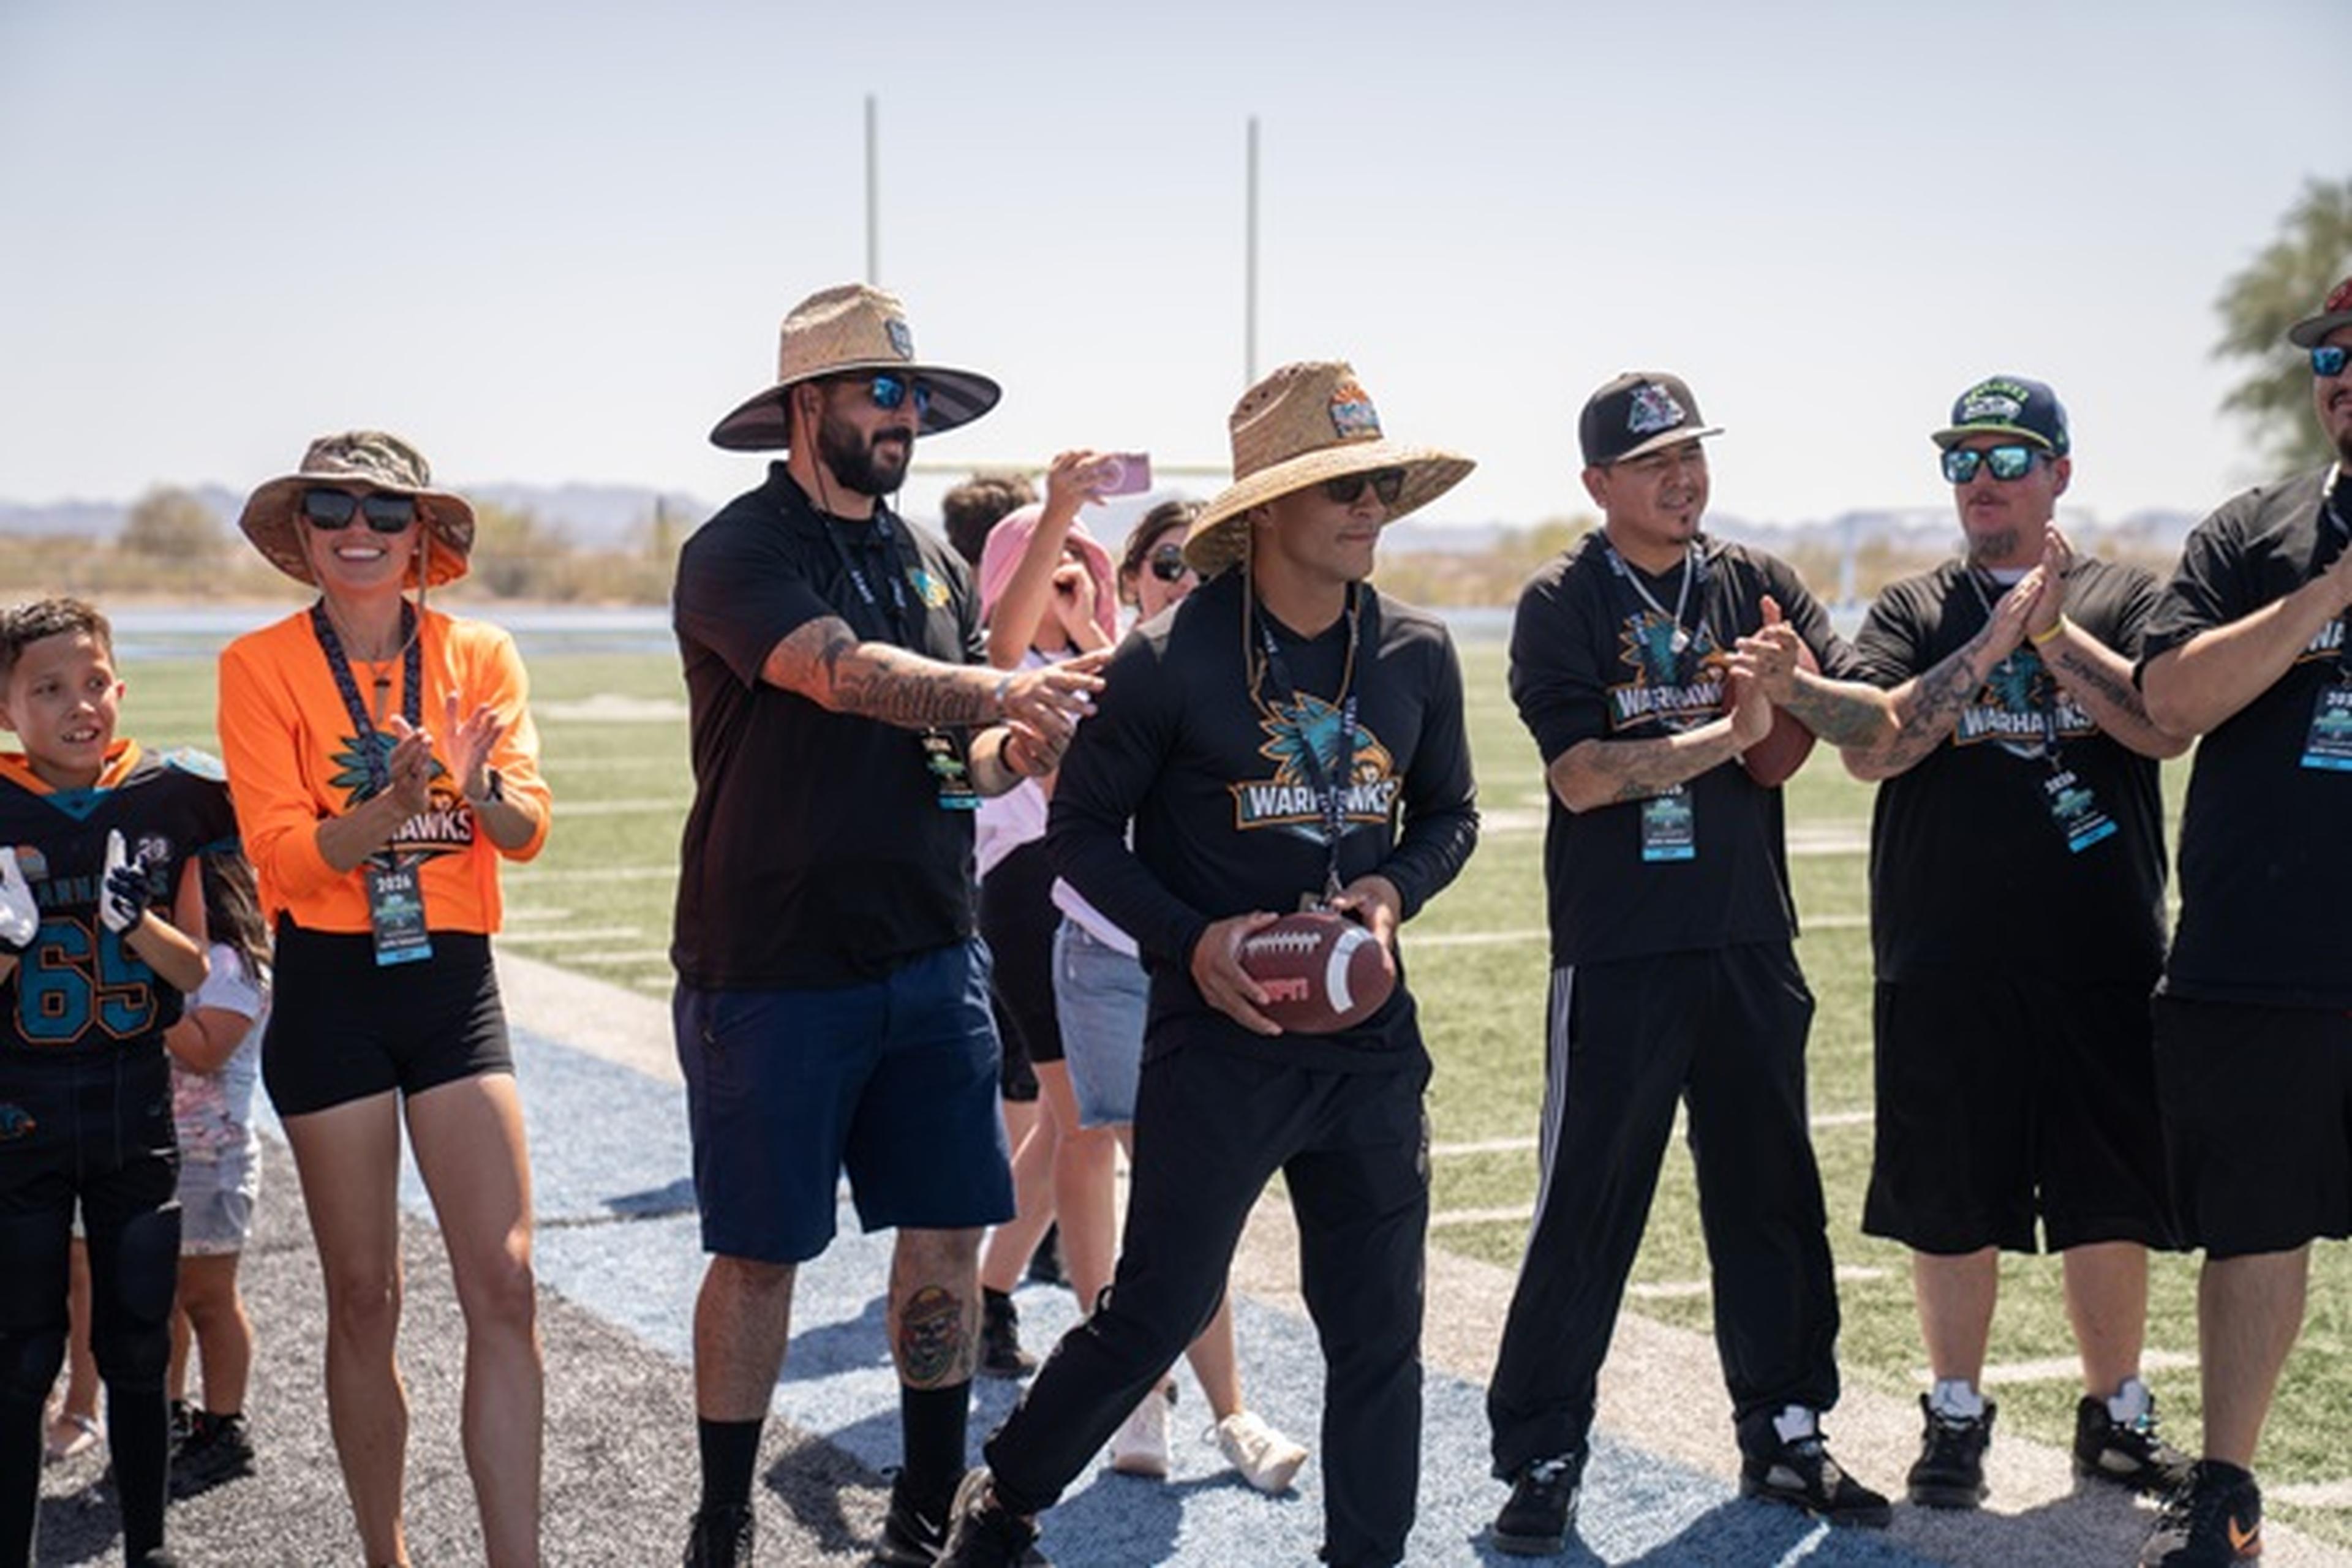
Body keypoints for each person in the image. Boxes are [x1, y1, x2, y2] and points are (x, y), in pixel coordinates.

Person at [941, 360, 1480, 1568]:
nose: (1371, 505)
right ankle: (1007, 1499)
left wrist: (1394, 888)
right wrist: (1196, 940)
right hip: (1218, 1040)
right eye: (1344, 485)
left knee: (1379, 1331)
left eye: (1382, 482)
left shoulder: (1417, 653)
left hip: (1370, 1048)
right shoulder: (1171, 659)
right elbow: (1077, 838)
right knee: (1157, 1308)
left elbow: (1451, 816)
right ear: (1271, 508)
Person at [673, 282, 1103, 1568]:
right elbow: (846, 673)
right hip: (773, 963)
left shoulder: (927, 554)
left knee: (944, 1237)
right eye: (879, 389)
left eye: (914, 393)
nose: (904, 414)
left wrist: (1011, 746)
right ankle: (724, 1518)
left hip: (932, 950)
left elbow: (951, 750)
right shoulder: (736, 551)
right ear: (807, 406)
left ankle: (923, 1512)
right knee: (759, 1255)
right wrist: (1003, 682)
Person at [1485, 372, 1900, 1555]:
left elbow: (1860, 726)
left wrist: (1791, 688)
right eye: (1654, 459)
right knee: (1589, 1203)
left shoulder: (1759, 584)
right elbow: (1578, 776)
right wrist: (1732, 730)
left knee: (1772, 1192)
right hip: (1619, 950)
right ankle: (1545, 1449)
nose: (1683, 476)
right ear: (1598, 484)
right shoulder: (1560, 599)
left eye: (1694, 453)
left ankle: (1786, 1427)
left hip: (1749, 938)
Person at [1838, 377, 2190, 1511]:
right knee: (1949, 1201)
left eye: (2008, 457)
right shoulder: (1908, 609)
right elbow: (1873, 750)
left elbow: (2158, 723)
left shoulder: (2132, 600)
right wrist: (1994, 646)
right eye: (1962, 462)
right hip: (1944, 955)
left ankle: (2117, 1414)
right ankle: (1954, 1411)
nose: (1982, 481)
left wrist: (2054, 634)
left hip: (2101, 953)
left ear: (2061, 474)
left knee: (2110, 1197)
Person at [217, 432, 552, 1568]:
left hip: (453, 985)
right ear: (303, 535)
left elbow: (526, 832)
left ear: (423, 538)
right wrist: (391, 804)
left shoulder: (482, 651)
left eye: (384, 511)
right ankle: (386, 1556)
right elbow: (283, 864)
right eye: (331, 509)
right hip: (331, 995)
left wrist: (469, 781)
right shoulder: (258, 665)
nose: (358, 530)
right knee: (366, 1298)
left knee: (505, 1286)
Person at [2130, 277, 2352, 1568]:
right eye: (2331, 353)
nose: (2342, 373)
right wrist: (2328, 594)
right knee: (2255, 1228)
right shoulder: (2255, 530)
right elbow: (2169, 699)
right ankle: (2228, 1493)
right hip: (2258, 959)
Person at [1046, 497, 1311, 1491]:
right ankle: (1166, 1401)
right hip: (1114, 961)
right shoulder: (1093, 677)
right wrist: (1084, 641)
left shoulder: (1252, 681)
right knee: (1162, 1189)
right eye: (1168, 563)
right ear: (1130, 581)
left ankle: (1212, 1405)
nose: (1189, 583)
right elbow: (1058, 802)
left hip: (1217, 964)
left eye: (1211, 565)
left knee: (1183, 1193)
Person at [0, 594, 233, 1568]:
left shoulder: (170, 798)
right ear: (8, 707)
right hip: (19, 1112)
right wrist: (9, 944)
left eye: (93, 682)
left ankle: (150, 1547)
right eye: (48, 688)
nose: (77, 704)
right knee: (20, 1352)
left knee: (140, 1342)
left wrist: (137, 924)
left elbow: (193, 977)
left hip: (137, 1106)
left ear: (120, 688)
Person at [970, 476, 1121, 1384]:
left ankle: (994, 1287)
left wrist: (1095, 619)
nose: (1067, 574)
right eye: (1043, 566)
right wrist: (1054, 521)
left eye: (1082, 564)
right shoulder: (1005, 674)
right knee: (1089, 1124)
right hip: (1029, 898)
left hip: (1103, 895)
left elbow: (1141, 702)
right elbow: (1004, 645)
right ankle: (1110, 1333)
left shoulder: (1104, 658)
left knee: (1076, 1130)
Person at [160, 848, 273, 1498]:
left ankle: (225, 1426)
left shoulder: (234, 968)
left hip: (213, 1160)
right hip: (165, 1154)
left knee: (207, 1298)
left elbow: (205, 1050)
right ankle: (168, 1415)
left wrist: (148, 996)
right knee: (163, 1298)